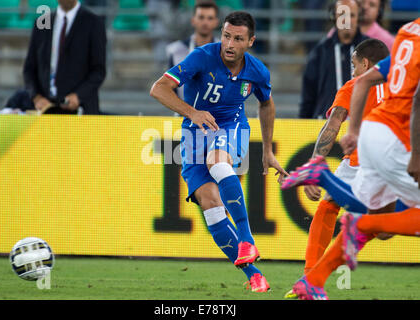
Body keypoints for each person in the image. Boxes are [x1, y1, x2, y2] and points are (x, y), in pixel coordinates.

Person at [281, 18, 420, 300]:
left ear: (365, 63)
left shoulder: (406, 34)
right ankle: (325, 183)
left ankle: (311, 279)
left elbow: (335, 121)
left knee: (366, 221)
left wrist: (349, 133)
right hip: (396, 144)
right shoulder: (398, 69)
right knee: (372, 222)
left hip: (368, 141)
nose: (353, 70)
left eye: (355, 64)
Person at [150, 11, 288, 292]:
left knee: (217, 161)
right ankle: (254, 275)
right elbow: (158, 88)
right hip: (194, 134)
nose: (229, 43)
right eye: (226, 36)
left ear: (250, 41)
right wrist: (193, 112)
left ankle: (246, 239)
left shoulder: (258, 71)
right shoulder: (202, 56)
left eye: (238, 39)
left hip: (231, 127)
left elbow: (266, 104)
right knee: (211, 207)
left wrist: (267, 150)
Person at [23, 0, 106, 115]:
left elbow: (98, 71)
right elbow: (29, 68)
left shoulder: (93, 22)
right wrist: (36, 97)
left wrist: (78, 95)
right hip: (47, 110)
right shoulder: (42, 22)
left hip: (80, 112)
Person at [299, 0, 369, 119]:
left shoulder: (370, 49)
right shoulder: (320, 51)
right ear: (334, 17)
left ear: (358, 18)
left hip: (363, 124)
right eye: (342, 15)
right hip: (325, 124)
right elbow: (308, 97)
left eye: (351, 15)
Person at [166, 0, 219, 99]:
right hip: (183, 111)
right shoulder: (176, 50)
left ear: (216, 22)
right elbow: (170, 88)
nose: (205, 22)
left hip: (217, 113)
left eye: (210, 18)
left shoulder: (225, 50)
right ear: (193, 20)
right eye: (201, 17)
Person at [327, 0, 395, 50]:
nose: (365, 7)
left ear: (379, 11)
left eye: (372, 5)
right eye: (362, 2)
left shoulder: (388, 41)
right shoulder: (336, 32)